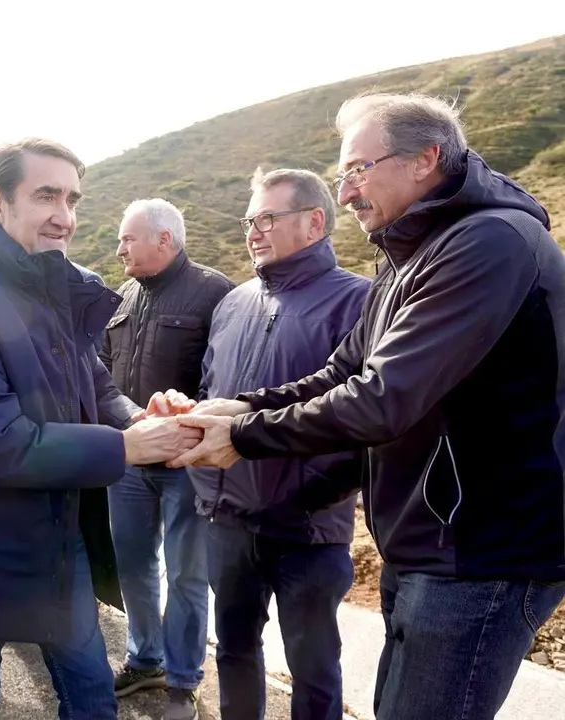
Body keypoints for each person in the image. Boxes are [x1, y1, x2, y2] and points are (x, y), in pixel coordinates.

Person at [172, 92, 565, 720]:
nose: (348, 192)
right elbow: (339, 373)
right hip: (426, 544)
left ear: (426, 159)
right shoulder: (408, 260)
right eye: (341, 176)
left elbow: (381, 400)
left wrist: (242, 436)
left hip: (483, 552)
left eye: (357, 170)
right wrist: (232, 406)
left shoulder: (488, 244)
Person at [0, 138, 203, 720]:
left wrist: (140, 418)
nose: (64, 215)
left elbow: (96, 384)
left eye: (72, 198)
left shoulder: (54, 284)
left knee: (91, 700)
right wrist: (125, 447)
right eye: (45, 195)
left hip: (58, 537)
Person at [188, 168, 369, 720]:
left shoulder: (359, 303)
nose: (254, 231)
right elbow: (210, 391)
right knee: (235, 652)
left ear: (315, 221)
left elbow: (367, 424)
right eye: (250, 220)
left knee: (314, 668)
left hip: (307, 532)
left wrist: (311, 496)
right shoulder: (232, 302)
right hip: (226, 520)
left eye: (268, 218)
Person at [100, 198, 233, 719]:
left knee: (185, 573)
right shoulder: (123, 296)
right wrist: (133, 420)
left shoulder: (214, 291)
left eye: (128, 239)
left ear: (164, 239)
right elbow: (104, 371)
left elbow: (224, 375)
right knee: (133, 565)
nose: (119, 249)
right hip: (130, 456)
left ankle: (183, 679)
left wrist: (186, 419)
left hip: (186, 460)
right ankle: (144, 658)